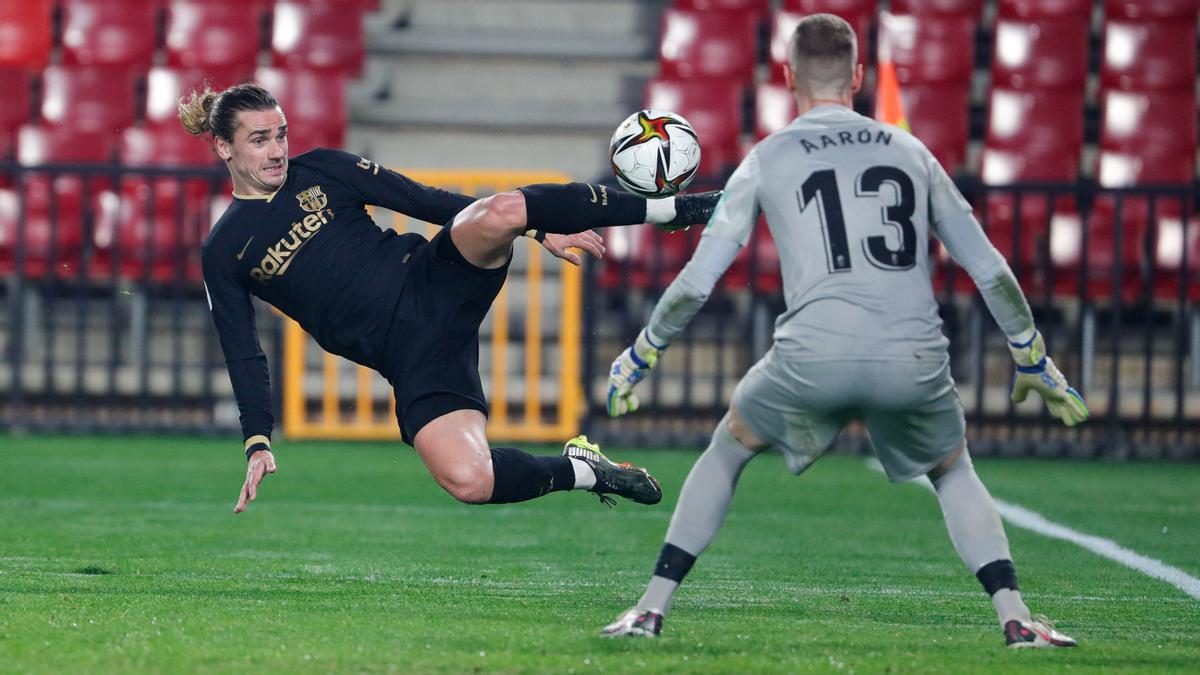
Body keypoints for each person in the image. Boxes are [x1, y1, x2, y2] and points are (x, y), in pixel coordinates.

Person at [599, 14, 1088, 648]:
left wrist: (640, 356)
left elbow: (697, 281)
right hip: (913, 356)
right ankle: (1015, 617)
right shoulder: (911, 151)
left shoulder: (767, 157)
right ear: (858, 76)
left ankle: (651, 609)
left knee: (731, 444)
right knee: (952, 468)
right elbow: (989, 268)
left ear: (786, 76)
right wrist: (1032, 358)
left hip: (813, 355)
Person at [178, 83, 720, 514]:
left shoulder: (322, 169)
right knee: (470, 480)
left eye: (281, 134)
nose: (277, 151)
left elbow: (425, 201)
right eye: (260, 140)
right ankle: (586, 471)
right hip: (411, 355)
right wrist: (257, 440)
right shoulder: (224, 250)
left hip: (434, 278)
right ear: (223, 147)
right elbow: (242, 350)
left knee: (502, 210)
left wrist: (537, 228)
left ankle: (677, 211)